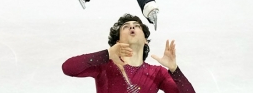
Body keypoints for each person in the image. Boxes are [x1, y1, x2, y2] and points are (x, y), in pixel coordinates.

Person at [62, 14, 194, 92]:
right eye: (126, 26)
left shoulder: (158, 73)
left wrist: (174, 70)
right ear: (118, 40)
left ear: (145, 41)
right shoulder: (105, 66)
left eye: (137, 26)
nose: (132, 27)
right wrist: (106, 54)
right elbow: (68, 68)